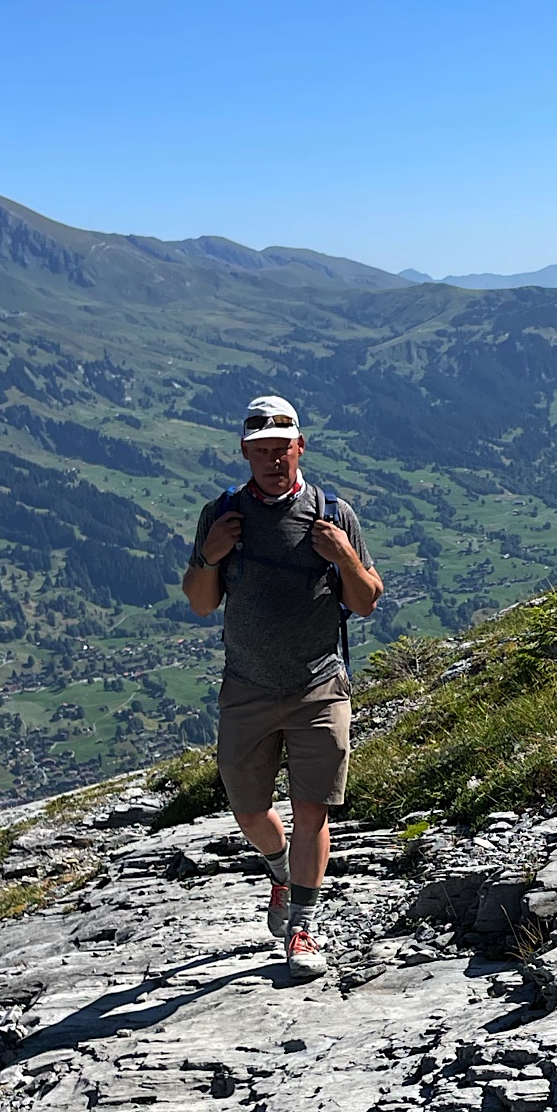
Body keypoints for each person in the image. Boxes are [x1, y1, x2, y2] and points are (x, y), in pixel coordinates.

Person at [182, 394, 382, 980]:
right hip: (247, 687)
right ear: (245, 453)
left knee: (311, 810)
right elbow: (201, 603)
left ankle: (303, 926)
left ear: (301, 447)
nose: (273, 460)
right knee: (248, 809)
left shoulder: (333, 514)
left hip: (319, 684)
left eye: (282, 449)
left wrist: (345, 558)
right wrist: (209, 556)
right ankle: (279, 871)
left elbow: (366, 602)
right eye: (261, 451)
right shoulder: (222, 516)